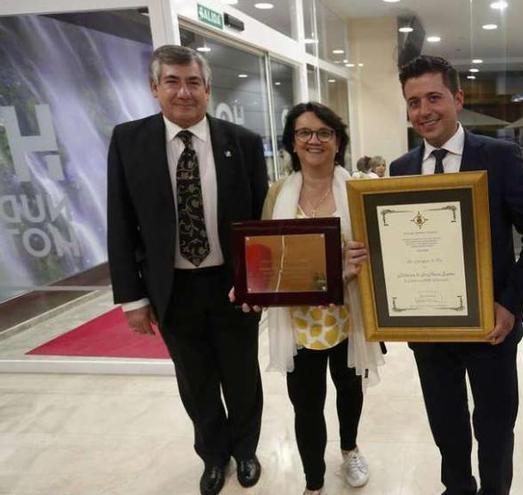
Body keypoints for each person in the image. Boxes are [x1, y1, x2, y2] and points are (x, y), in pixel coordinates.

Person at [353, 54, 523, 495]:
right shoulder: (402, 169)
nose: (423, 111)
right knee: (446, 424)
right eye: (413, 102)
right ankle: (457, 488)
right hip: (429, 327)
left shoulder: (498, 156)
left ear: (457, 98)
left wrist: (510, 305)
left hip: (491, 326)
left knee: (495, 428)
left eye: (433, 98)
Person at [106, 45, 267, 495]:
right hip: (171, 287)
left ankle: (245, 450)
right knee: (195, 381)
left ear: (207, 88)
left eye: (193, 82)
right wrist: (133, 299)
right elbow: (119, 222)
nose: (184, 91)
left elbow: (260, 222)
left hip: (232, 286)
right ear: (154, 88)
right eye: (172, 81)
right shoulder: (128, 141)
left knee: (241, 375)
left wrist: (261, 285)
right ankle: (213, 456)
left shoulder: (243, 143)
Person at [254, 102, 384, 495]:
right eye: (304, 133)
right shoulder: (278, 193)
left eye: (324, 132)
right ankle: (313, 481)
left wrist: (364, 258)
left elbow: (380, 249)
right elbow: (263, 253)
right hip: (298, 320)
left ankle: (349, 449)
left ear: (338, 140)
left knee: (349, 390)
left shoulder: (358, 190)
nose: (314, 140)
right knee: (306, 403)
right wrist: (250, 282)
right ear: (292, 143)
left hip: (350, 314)